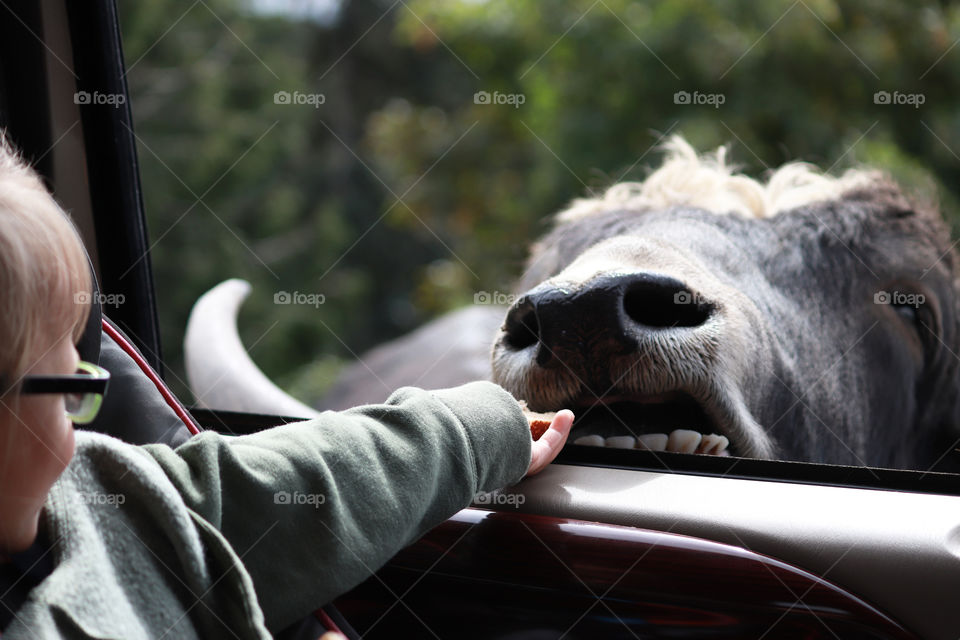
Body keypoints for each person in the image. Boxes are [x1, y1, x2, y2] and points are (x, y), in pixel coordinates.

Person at [0, 136, 574, 639]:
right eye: (69, 390)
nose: (75, 431)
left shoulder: (84, 501)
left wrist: (475, 431)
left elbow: (243, 498)